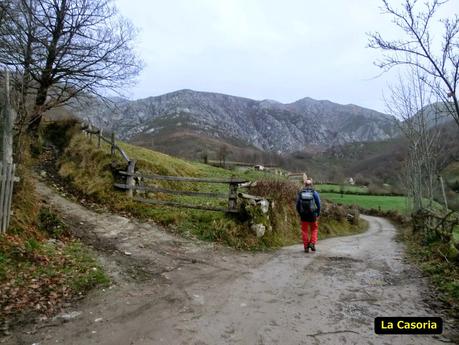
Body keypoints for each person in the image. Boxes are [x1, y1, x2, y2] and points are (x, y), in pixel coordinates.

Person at [296, 179, 321, 253]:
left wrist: (300, 213)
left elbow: (297, 205)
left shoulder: (301, 193)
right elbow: (318, 204)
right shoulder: (314, 193)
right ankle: (312, 243)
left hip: (303, 215)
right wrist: (318, 213)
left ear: (305, 185)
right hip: (312, 214)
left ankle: (306, 247)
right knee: (314, 229)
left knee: (304, 230)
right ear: (311, 185)